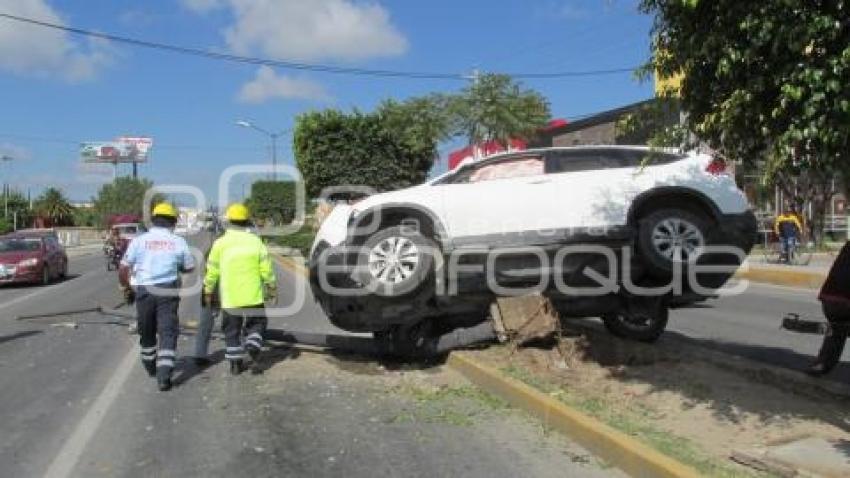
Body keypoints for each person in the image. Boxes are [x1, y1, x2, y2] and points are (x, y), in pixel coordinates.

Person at [119, 203, 195, 391]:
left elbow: (123, 268)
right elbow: (189, 266)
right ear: (173, 222)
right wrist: (178, 266)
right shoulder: (178, 241)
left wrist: (126, 287)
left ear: (153, 220)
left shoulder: (139, 241)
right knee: (168, 332)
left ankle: (150, 366)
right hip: (167, 292)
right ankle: (164, 376)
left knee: (147, 330)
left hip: (144, 291)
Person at [203, 203, 276, 375]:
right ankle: (253, 344)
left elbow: (212, 271)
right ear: (247, 222)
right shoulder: (256, 242)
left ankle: (235, 365)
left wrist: (207, 290)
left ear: (228, 222)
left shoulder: (220, 243)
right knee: (257, 323)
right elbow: (266, 269)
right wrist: (271, 287)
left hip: (230, 298)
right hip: (253, 296)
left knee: (231, 331)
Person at [807, 241, 850, 376]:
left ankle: (821, 364)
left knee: (837, 330)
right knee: (840, 328)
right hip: (846, 303)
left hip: (829, 301)